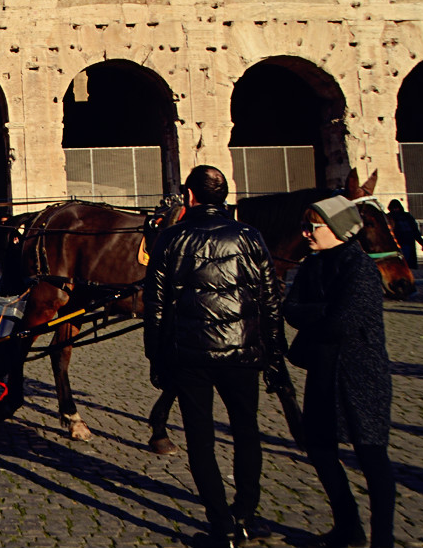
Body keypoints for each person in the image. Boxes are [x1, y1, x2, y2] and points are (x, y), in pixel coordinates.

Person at [144, 165, 286, 548]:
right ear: (223, 196)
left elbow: (155, 305)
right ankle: (247, 513)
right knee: (246, 432)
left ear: (190, 197)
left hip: (191, 354)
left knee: (200, 440)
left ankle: (221, 525)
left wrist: (155, 357)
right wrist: (274, 353)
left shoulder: (171, 238)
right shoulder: (250, 236)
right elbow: (269, 300)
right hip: (242, 351)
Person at [284, 196, 396, 548]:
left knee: (371, 456)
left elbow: (342, 323)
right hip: (322, 369)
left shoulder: (359, 267)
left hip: (359, 374)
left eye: (312, 227)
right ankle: (349, 526)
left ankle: (383, 539)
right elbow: (291, 310)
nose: (305, 234)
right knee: (318, 448)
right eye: (305, 226)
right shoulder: (311, 265)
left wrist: (316, 314)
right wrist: (324, 311)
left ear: (337, 228)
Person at [385, 200, 421, 271]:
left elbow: (414, 230)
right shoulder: (390, 217)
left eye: (396, 208)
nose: (395, 210)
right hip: (397, 243)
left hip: (404, 242)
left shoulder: (405, 217)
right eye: (393, 208)